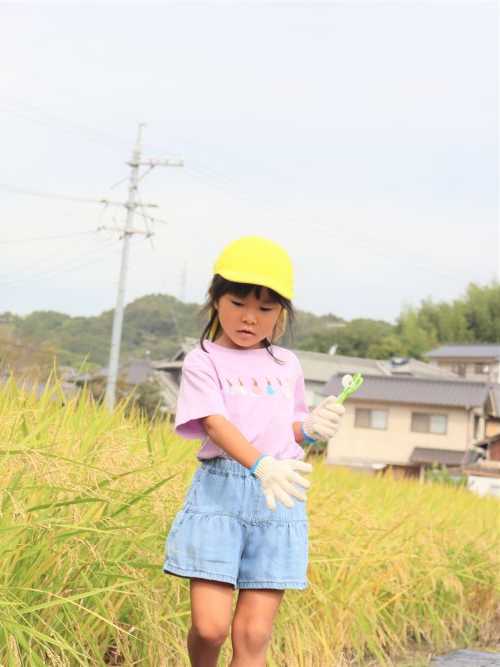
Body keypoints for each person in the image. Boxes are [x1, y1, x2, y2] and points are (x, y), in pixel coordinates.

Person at [162, 236, 345, 667]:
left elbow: (289, 430)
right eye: (238, 302)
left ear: (281, 313)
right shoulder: (202, 360)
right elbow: (214, 422)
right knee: (210, 628)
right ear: (215, 300)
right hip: (220, 495)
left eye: (265, 309)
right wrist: (259, 464)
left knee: (254, 634)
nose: (249, 317)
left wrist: (312, 428)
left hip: (278, 498)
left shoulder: (287, 365)